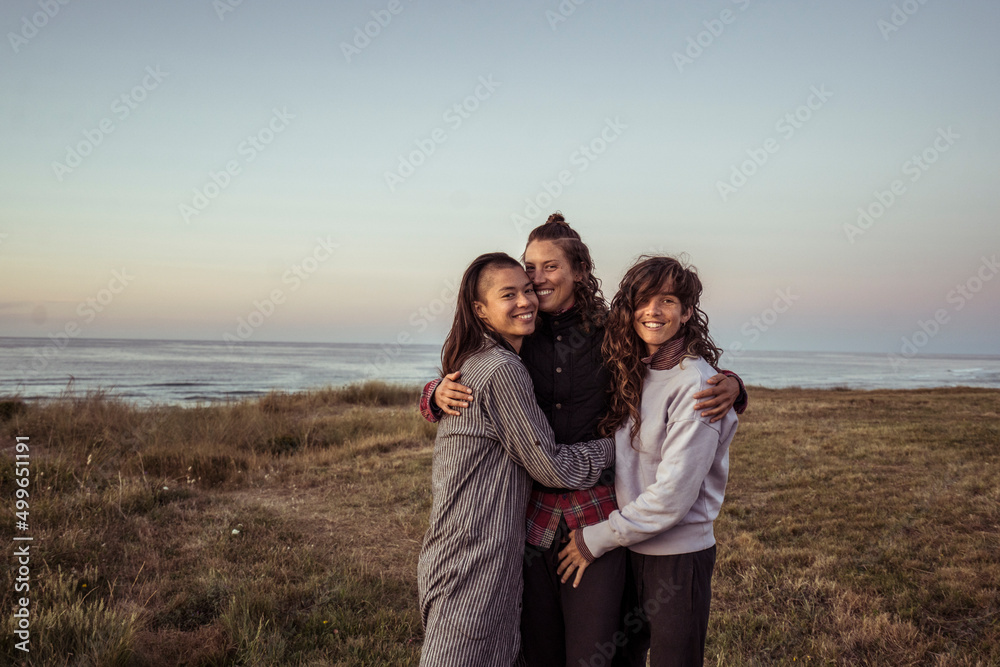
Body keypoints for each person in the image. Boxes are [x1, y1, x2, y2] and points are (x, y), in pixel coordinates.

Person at [418, 215, 748, 666]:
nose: (537, 279)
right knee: (536, 651)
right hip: (532, 518)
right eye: (529, 268)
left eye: (550, 267)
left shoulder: (610, 331)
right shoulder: (519, 333)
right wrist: (433, 392)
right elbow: (469, 375)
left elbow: (667, 359)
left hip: (595, 512)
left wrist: (732, 384)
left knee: (593, 653)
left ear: (579, 272)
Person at [417, 252, 616, 667]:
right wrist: (616, 447)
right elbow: (552, 467)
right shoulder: (502, 368)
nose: (526, 301)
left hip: (476, 543)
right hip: (474, 551)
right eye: (508, 294)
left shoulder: (486, 359)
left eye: (528, 290)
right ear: (480, 310)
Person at [556, 255, 739, 667]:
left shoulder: (697, 385)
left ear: (687, 312)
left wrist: (595, 539)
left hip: (677, 558)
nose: (653, 311)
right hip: (631, 549)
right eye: (643, 300)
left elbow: (671, 497)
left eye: (668, 301)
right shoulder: (635, 368)